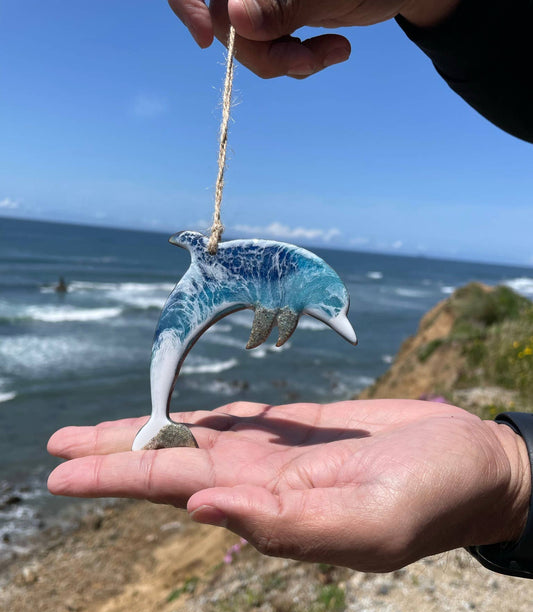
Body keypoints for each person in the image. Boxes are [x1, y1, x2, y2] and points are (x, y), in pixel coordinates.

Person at [47, 0, 533, 577]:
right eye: (331, 312)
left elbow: (275, 311)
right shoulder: (289, 280)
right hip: (209, 280)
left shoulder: (295, 280)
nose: (337, 323)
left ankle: (160, 416)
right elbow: (273, 312)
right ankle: (160, 416)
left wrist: (510, 473)